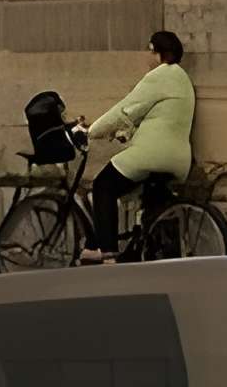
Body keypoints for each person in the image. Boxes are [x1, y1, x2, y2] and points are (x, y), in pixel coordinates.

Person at [80, 30, 194, 258]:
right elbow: (156, 116)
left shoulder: (160, 76)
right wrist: (126, 132)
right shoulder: (182, 79)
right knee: (146, 199)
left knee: (104, 185)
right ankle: (143, 246)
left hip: (153, 154)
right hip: (179, 158)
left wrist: (91, 132)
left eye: (148, 51)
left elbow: (126, 108)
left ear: (156, 52)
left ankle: (108, 251)